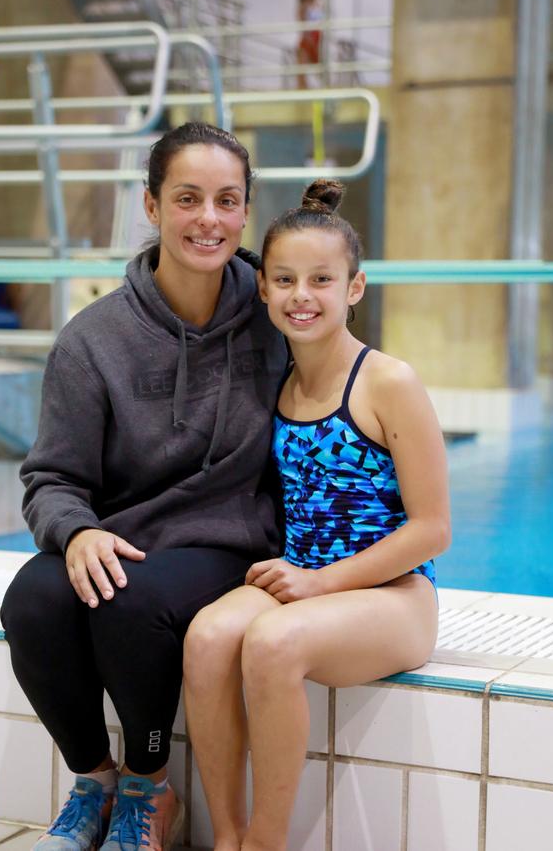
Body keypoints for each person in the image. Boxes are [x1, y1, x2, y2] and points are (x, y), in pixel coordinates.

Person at [0, 122, 287, 851]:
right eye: (188, 198)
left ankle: (148, 787)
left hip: (229, 537)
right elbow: (51, 478)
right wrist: (79, 530)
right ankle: (93, 779)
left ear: (246, 210)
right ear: (153, 206)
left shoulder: (277, 317)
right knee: (32, 600)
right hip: (128, 534)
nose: (209, 219)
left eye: (227, 200)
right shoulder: (93, 339)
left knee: (131, 602)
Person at [183, 180, 450, 851]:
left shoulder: (388, 382)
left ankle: (267, 844)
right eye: (286, 279)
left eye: (321, 279)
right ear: (264, 291)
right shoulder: (282, 383)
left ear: (354, 288)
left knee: (274, 642)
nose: (303, 295)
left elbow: (432, 528)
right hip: (307, 584)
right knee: (208, 637)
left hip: (394, 596)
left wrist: (320, 583)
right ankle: (228, 836)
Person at [296, 0, 323, 90]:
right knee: (302, 70)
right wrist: (309, 39)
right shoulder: (304, 6)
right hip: (309, 40)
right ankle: (303, 92)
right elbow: (302, 24)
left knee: (319, 69)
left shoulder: (317, 5)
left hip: (317, 40)